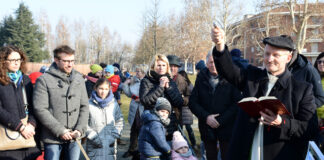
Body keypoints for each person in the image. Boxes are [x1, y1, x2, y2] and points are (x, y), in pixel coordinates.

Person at [211, 27, 316, 159]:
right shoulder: (252, 76)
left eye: (276, 55)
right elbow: (229, 71)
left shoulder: (302, 89)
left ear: (288, 58)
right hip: (244, 152)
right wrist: (220, 45)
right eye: (267, 54)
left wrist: (281, 122)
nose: (269, 59)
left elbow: (310, 130)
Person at [33, 45, 89, 160]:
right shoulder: (44, 80)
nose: (70, 64)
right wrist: (60, 130)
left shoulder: (79, 79)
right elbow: (40, 109)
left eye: (72, 61)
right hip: (52, 137)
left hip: (75, 136)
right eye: (66, 61)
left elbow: (84, 106)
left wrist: (79, 129)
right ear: (56, 60)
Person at [189, 51, 241, 160]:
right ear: (207, 63)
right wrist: (206, 117)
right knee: (210, 157)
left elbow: (237, 103)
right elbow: (193, 103)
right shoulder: (201, 78)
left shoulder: (230, 78)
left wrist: (220, 120)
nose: (214, 65)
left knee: (228, 156)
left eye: (217, 62)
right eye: (211, 62)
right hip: (207, 127)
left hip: (227, 127)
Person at [0, 45, 41, 160]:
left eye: (18, 59)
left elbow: (33, 105)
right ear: (3, 62)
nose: (16, 63)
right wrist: (20, 127)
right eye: (12, 60)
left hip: (28, 139)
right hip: (7, 140)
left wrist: (31, 124)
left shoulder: (25, 80)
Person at [139, 54, 183, 141]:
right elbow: (145, 101)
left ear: (167, 67)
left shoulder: (171, 81)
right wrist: (160, 87)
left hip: (170, 125)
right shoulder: (146, 81)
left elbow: (179, 102)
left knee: (169, 152)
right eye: (158, 65)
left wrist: (168, 88)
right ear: (153, 67)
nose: (161, 68)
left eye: (164, 65)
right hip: (152, 123)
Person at [86, 78, 124, 160]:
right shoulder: (88, 104)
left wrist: (114, 135)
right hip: (94, 145)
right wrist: (93, 137)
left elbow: (119, 120)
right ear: (95, 88)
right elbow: (84, 124)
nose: (103, 92)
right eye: (101, 88)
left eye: (106, 89)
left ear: (109, 89)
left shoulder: (114, 104)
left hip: (110, 144)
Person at [167, 55, 197, 148]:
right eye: (171, 66)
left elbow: (189, 96)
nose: (173, 68)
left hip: (177, 115)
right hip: (163, 114)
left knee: (176, 140)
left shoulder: (182, 80)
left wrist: (182, 100)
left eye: (175, 66)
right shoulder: (161, 78)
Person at [122, 65, 146, 159]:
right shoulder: (134, 81)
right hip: (134, 109)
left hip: (143, 109)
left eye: (138, 71)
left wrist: (142, 99)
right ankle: (131, 150)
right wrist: (125, 84)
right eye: (136, 71)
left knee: (142, 131)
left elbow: (150, 96)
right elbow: (129, 94)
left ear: (144, 72)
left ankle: (140, 152)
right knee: (133, 131)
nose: (136, 73)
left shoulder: (148, 82)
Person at [314, 52, 324, 151]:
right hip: (314, 119)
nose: (321, 64)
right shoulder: (314, 79)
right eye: (319, 62)